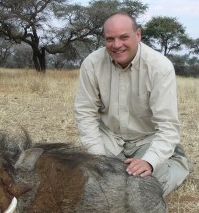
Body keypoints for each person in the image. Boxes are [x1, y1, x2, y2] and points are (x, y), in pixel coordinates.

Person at [74, 12, 189, 197]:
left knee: (149, 186)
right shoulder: (91, 64)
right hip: (110, 138)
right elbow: (85, 114)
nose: (117, 45)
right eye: (109, 39)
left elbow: (168, 125)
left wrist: (149, 161)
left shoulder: (160, 67)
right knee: (89, 178)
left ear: (138, 35)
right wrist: (98, 159)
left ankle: (177, 162)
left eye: (124, 37)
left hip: (146, 139)